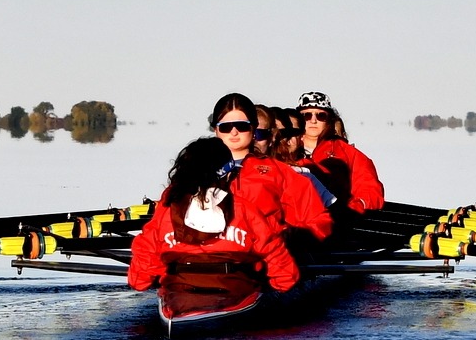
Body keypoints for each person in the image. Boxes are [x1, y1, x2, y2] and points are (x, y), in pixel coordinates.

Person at [126, 136, 300, 296]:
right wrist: (281, 286)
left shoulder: (166, 210)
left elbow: (139, 280)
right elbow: (280, 263)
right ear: (229, 175)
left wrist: (145, 279)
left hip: (179, 292)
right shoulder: (244, 209)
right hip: (235, 290)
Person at [207, 92, 334, 241]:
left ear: (253, 128)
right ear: (215, 130)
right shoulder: (195, 171)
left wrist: (293, 235)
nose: (234, 132)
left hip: (265, 255)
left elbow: (319, 220)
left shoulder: (279, 172)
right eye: (225, 127)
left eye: (242, 126)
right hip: (206, 258)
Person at [296, 91, 384, 217]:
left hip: (339, 219)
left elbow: (369, 189)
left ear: (329, 120)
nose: (313, 120)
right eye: (306, 116)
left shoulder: (347, 152)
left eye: (321, 115)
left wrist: (350, 210)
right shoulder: (284, 148)